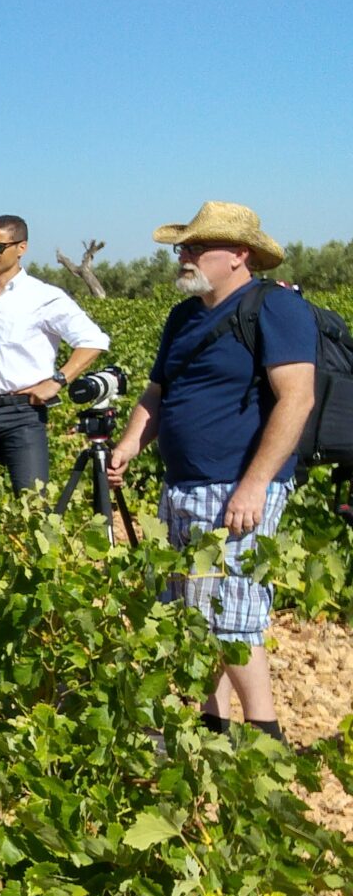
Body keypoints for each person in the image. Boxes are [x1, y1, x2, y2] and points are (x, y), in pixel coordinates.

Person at [108, 202, 317, 741]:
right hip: (181, 486)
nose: (185, 255)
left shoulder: (275, 308)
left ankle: (265, 737)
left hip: (238, 487)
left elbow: (297, 399)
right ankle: (213, 728)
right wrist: (131, 443)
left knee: (231, 616)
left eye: (198, 247)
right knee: (190, 612)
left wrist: (255, 486)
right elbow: (158, 392)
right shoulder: (184, 316)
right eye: (184, 246)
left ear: (240, 255)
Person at [0, 215, 112, 490]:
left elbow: (93, 340)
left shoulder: (44, 297)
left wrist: (58, 380)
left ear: (21, 248)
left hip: (22, 415)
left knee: (33, 502)